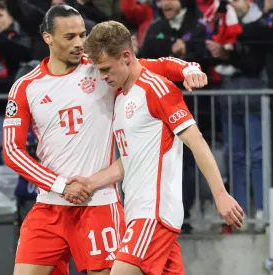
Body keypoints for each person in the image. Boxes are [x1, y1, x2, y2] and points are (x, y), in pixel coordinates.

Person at [2, 5, 208, 275]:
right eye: (70, 37)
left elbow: (155, 66)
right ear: (47, 38)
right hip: (50, 205)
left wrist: (189, 69)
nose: (79, 44)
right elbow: (12, 150)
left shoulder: (100, 70)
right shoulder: (26, 86)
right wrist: (61, 185)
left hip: (98, 204)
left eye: (82, 35)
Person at [65, 21, 244, 275]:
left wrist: (220, 195)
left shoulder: (157, 90)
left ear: (126, 57)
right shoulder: (121, 92)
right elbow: (130, 160)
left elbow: (197, 142)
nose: (102, 77)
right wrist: (91, 183)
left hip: (153, 214)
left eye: (105, 69)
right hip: (139, 212)